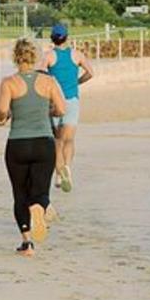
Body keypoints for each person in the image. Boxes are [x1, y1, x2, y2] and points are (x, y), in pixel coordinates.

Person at [0, 38, 65, 256]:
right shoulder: (49, 81)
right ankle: (41, 205)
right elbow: (61, 109)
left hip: (18, 142)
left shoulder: (9, 82)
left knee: (19, 192)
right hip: (43, 142)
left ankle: (27, 243)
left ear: (15, 58)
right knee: (40, 188)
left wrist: (7, 114)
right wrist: (47, 111)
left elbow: (1, 111)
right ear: (35, 57)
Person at [39, 22, 93, 192]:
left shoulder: (48, 56)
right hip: (72, 101)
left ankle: (58, 173)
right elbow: (91, 72)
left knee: (57, 140)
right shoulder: (76, 55)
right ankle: (67, 168)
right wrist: (77, 82)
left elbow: (39, 74)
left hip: (54, 101)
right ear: (67, 38)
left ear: (52, 39)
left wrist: (48, 86)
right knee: (69, 139)